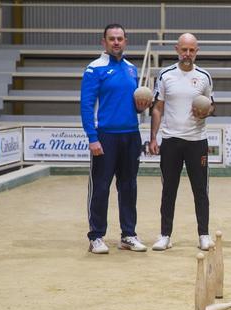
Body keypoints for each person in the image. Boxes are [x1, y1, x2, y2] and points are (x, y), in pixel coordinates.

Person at [81, 23, 152, 254]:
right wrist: (93, 137)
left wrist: (141, 108)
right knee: (101, 187)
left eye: (120, 38)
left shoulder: (131, 69)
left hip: (131, 135)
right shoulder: (95, 69)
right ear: (104, 42)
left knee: (129, 187)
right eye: (111, 39)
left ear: (126, 41)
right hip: (106, 136)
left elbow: (131, 105)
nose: (116, 42)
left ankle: (128, 235)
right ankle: (96, 236)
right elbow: (86, 106)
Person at [149, 33, 215, 251]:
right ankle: (165, 235)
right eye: (184, 50)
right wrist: (153, 138)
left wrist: (206, 112)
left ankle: (204, 234)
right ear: (177, 49)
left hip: (197, 141)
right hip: (171, 140)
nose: (187, 54)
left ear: (197, 51)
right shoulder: (165, 75)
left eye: (192, 50)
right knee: (169, 189)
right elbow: (157, 108)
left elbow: (211, 105)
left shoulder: (204, 76)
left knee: (200, 190)